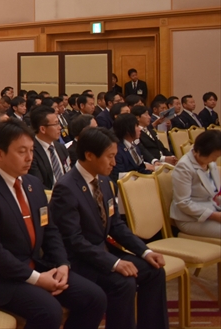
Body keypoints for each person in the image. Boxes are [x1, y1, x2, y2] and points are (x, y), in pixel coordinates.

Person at [0, 119, 106, 329]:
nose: (29, 158)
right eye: (22, 152)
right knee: (49, 310)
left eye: (31, 150)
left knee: (94, 297)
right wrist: (36, 279)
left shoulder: (33, 184)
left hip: (35, 265)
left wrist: (62, 264)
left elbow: (50, 230)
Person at [50, 127, 168, 329]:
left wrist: (145, 251)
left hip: (102, 252)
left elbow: (116, 225)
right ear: (89, 155)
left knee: (154, 271)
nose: (114, 162)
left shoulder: (104, 180)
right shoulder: (66, 188)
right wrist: (114, 263)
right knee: (123, 282)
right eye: (110, 157)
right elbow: (74, 240)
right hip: (80, 260)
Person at [170, 130, 221, 239]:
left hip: (211, 209)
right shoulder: (184, 167)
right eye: (214, 156)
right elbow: (183, 202)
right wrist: (214, 216)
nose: (215, 160)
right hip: (190, 219)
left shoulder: (210, 163)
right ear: (200, 151)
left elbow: (213, 193)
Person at [29, 106, 71, 190]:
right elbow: (38, 185)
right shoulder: (31, 152)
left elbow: (69, 173)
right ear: (43, 129)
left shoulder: (61, 147)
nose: (60, 127)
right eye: (56, 124)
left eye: (59, 123)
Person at [111, 113, 152, 181]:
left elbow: (140, 168)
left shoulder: (134, 145)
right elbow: (119, 175)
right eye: (136, 126)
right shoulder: (117, 150)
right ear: (127, 130)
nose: (140, 129)